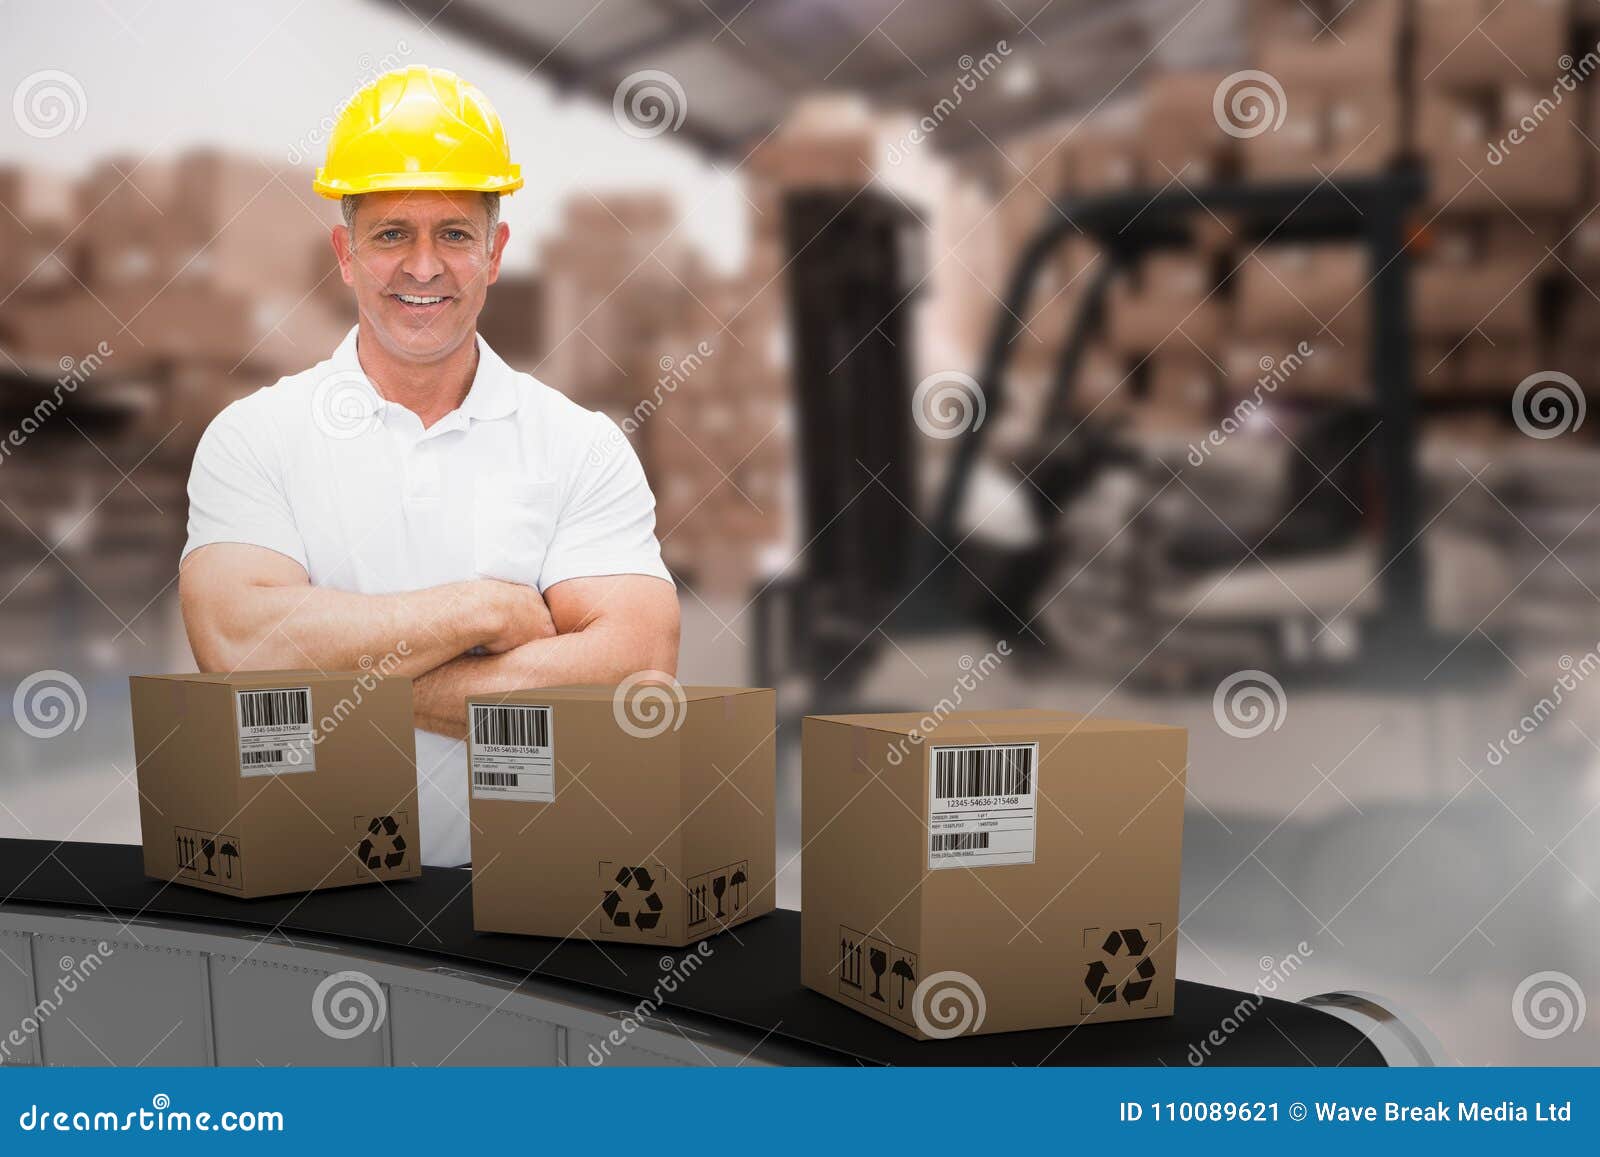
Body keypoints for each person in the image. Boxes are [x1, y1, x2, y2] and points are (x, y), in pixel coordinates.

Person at [177, 65, 679, 866]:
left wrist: (337, 676)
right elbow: (236, 643)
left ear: (495, 251)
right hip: (311, 894)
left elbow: (636, 664)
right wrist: (482, 612)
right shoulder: (255, 436)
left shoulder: (579, 444)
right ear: (345, 253)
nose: (422, 266)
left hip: (531, 899)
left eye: (452, 233)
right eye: (390, 234)